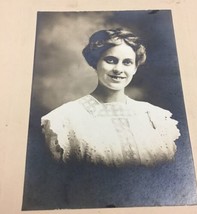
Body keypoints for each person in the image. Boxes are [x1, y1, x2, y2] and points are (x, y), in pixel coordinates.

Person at [41, 28, 180, 167]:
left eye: (127, 62)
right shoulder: (64, 120)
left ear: (135, 68)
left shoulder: (156, 117)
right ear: (96, 63)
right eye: (111, 60)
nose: (118, 69)